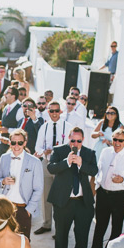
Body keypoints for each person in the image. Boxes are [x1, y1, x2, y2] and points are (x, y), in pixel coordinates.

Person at [48, 127, 98, 248]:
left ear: (83, 141)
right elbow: (51, 168)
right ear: (68, 139)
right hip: (64, 201)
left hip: (83, 200)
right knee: (62, 232)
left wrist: (82, 164)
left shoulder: (89, 153)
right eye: (73, 140)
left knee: (83, 231)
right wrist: (67, 162)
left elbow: (94, 170)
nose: (75, 144)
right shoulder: (59, 151)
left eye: (79, 141)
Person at [88, 129, 124, 248]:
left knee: (116, 226)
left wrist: (122, 179)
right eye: (115, 139)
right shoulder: (105, 152)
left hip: (119, 196)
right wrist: (98, 185)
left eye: (120, 140)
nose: (117, 143)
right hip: (103, 193)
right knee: (100, 223)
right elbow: (100, 170)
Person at [34, 101, 73, 236]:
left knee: (60, 197)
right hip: (47, 162)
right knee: (45, 194)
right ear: (48, 112)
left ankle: (59, 227)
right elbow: (37, 147)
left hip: (61, 165)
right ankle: (46, 224)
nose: (54, 114)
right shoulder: (44, 127)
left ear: (61, 111)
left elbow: (72, 146)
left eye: (57, 111)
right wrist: (44, 152)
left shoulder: (68, 127)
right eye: (52, 111)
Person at [0, 129, 43, 241]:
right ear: (10, 143)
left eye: (20, 143)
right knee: (5, 242)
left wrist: (29, 210)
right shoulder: (4, 158)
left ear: (25, 143)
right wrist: (3, 181)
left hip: (23, 209)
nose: (16, 146)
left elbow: (38, 188)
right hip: (6, 208)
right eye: (13, 142)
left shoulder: (34, 162)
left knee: (23, 243)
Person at [0, 86, 23, 155]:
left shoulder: (19, 109)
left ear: (13, 96)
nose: (4, 95)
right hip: (3, 145)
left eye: (7, 93)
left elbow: (21, 128)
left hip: (14, 147)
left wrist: (8, 130)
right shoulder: (6, 107)